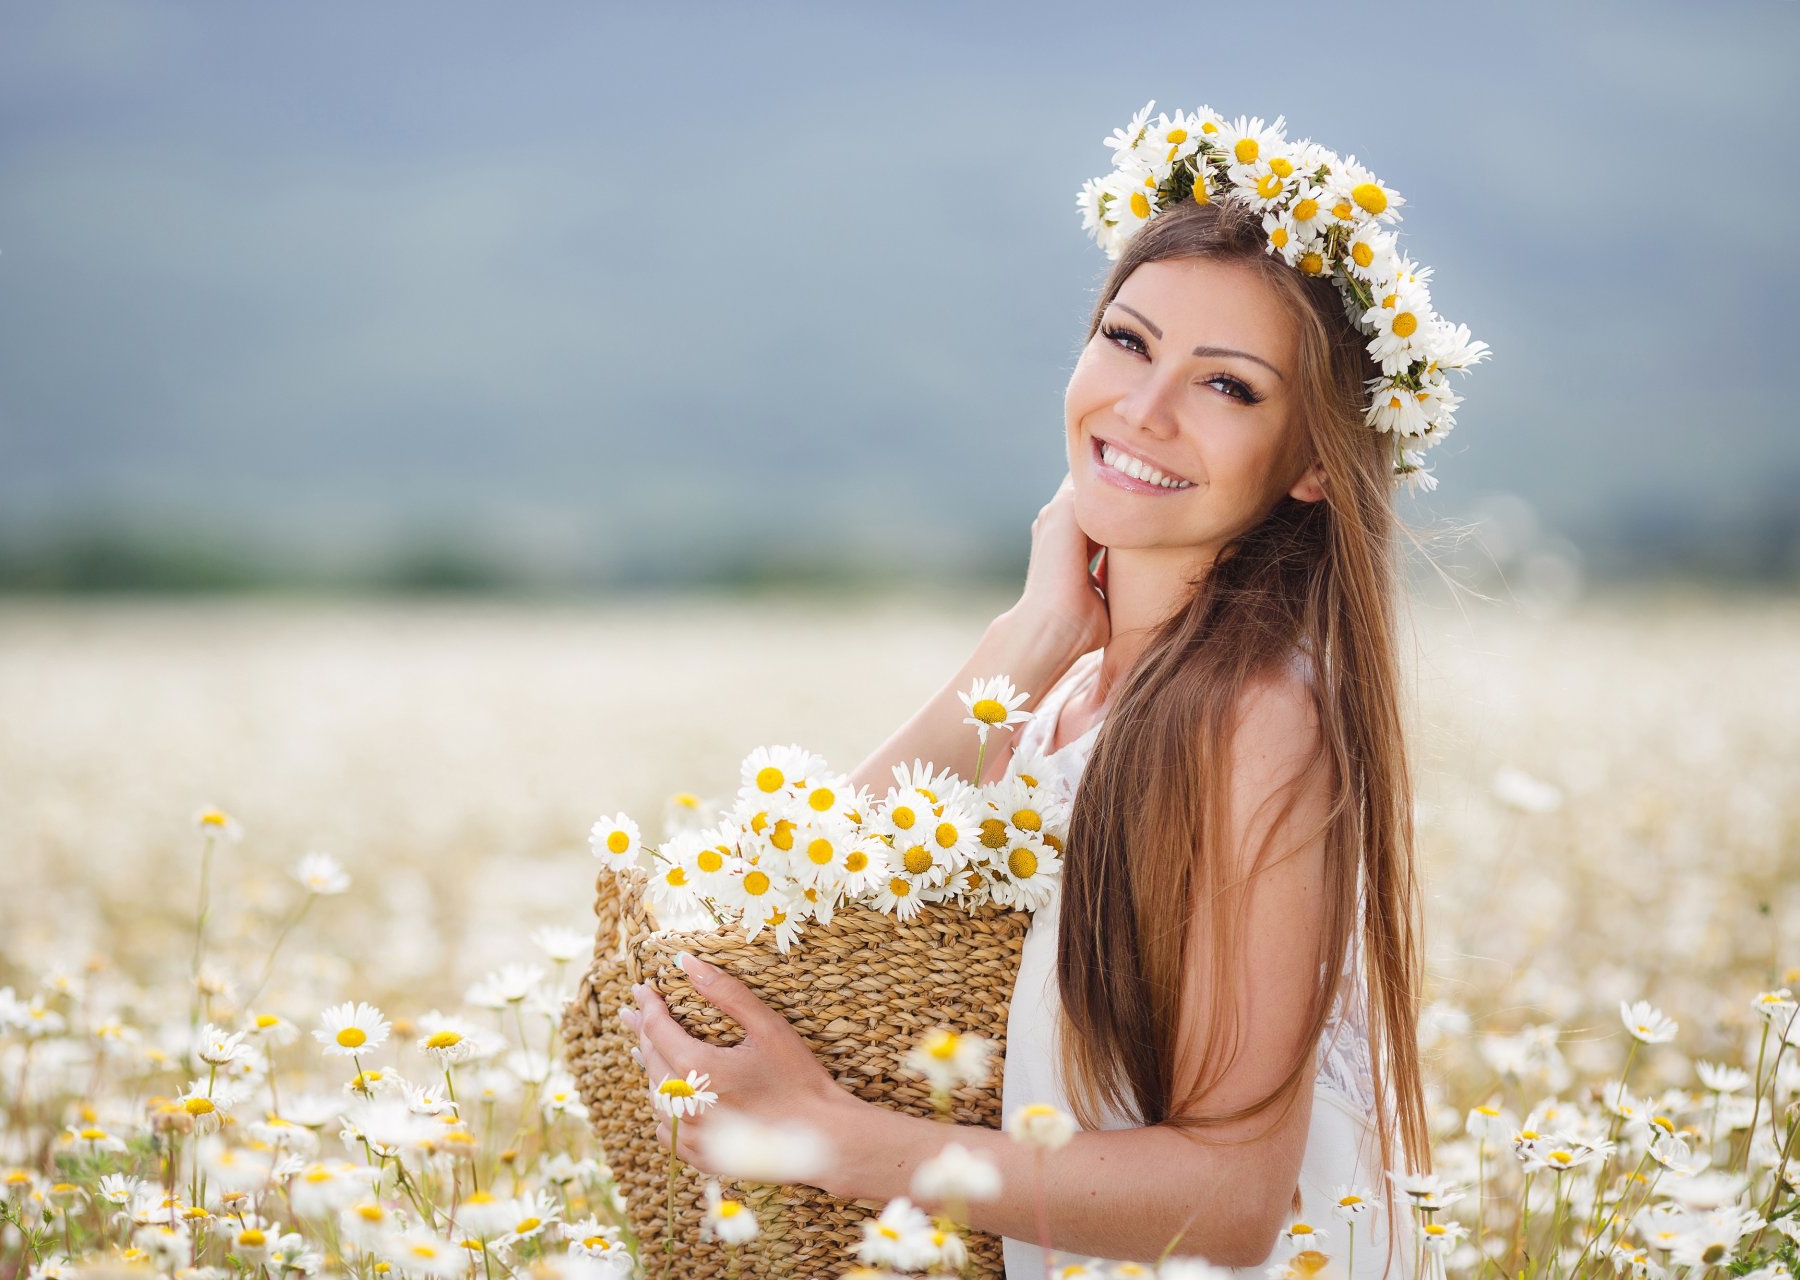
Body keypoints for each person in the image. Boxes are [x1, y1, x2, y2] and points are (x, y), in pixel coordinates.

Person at [619, 104, 1485, 1278]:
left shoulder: (1255, 713)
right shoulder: (1082, 685)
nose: (1144, 407)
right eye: (1128, 340)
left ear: (1319, 461)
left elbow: (1231, 1199)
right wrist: (1028, 638)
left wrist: (833, 1136)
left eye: (1227, 387)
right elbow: (779, 886)